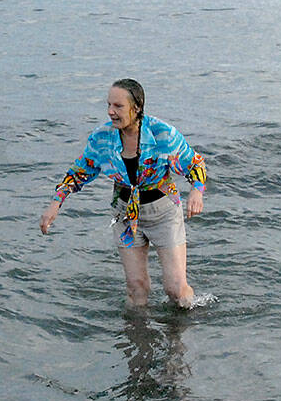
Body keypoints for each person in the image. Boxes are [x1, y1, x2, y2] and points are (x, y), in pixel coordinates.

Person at [39, 79, 206, 309]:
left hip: (164, 213)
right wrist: (55, 204)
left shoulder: (163, 134)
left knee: (176, 290)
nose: (110, 112)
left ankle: (181, 339)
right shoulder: (102, 138)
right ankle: (138, 340)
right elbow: (78, 172)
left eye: (118, 106)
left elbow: (195, 164)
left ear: (136, 107)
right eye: (108, 105)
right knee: (136, 288)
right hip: (125, 214)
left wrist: (196, 191)